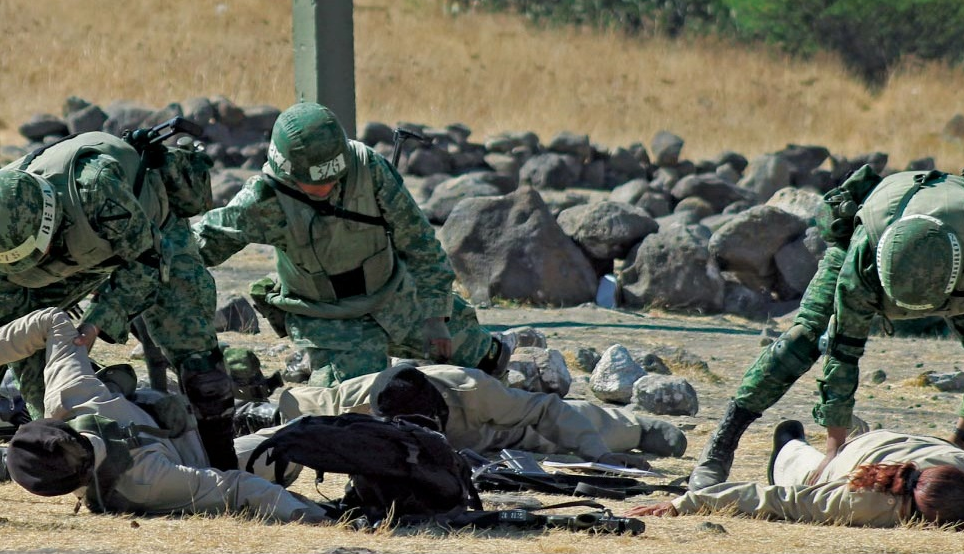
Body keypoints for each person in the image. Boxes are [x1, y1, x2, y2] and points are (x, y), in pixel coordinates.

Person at [689, 167, 964, 491]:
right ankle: (719, 447)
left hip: (959, 275)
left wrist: (959, 441)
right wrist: (834, 448)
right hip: (874, 252)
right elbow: (842, 349)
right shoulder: (863, 255)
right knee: (801, 340)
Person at [192, 102, 510, 387]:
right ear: (286, 171)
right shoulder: (263, 201)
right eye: (314, 183)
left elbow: (420, 243)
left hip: (395, 294)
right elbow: (201, 243)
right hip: (330, 319)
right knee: (357, 404)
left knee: (483, 358)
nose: (327, 187)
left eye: (333, 178)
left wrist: (436, 316)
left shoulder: (368, 168)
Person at [0, 132, 238, 470]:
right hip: (69, 256)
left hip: (151, 231)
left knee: (192, 344)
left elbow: (147, 264)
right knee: (40, 380)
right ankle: (70, 463)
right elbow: (12, 333)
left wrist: (98, 320)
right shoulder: (6, 239)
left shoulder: (98, 188)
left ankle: (223, 461)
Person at [0, 307, 326, 523]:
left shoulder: (72, 397)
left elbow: (52, 321)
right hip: (204, 461)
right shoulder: (147, 482)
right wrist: (316, 516)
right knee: (301, 439)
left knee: (309, 428)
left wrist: (92, 326)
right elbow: (237, 487)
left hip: (180, 419)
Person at [631, 420, 964, 528]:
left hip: (905, 443)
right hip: (855, 459)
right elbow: (776, 501)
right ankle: (789, 441)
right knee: (798, 470)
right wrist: (683, 502)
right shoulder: (865, 501)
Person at [235, 363, 687, 469]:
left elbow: (546, 410)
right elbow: (304, 409)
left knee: (556, 437)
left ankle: (636, 426)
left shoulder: (477, 391)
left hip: (494, 433)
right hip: (450, 445)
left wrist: (598, 459)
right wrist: (255, 415)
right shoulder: (362, 397)